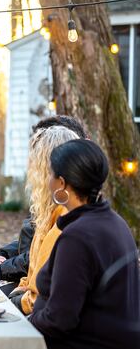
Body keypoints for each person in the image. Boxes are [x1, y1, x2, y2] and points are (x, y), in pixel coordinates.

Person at [29, 139, 140, 348]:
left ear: (61, 183)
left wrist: (21, 326)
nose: (48, 181)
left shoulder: (78, 237)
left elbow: (59, 320)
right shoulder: (116, 222)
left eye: (50, 174)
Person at [0, 115, 88, 293]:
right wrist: (4, 254)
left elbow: (43, 262)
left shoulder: (68, 212)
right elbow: (33, 239)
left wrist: (4, 271)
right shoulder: (52, 199)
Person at [7, 126, 79, 314]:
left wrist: (13, 302)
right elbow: (31, 276)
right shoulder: (47, 214)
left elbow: (39, 299)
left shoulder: (66, 216)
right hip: (30, 303)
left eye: (34, 164)